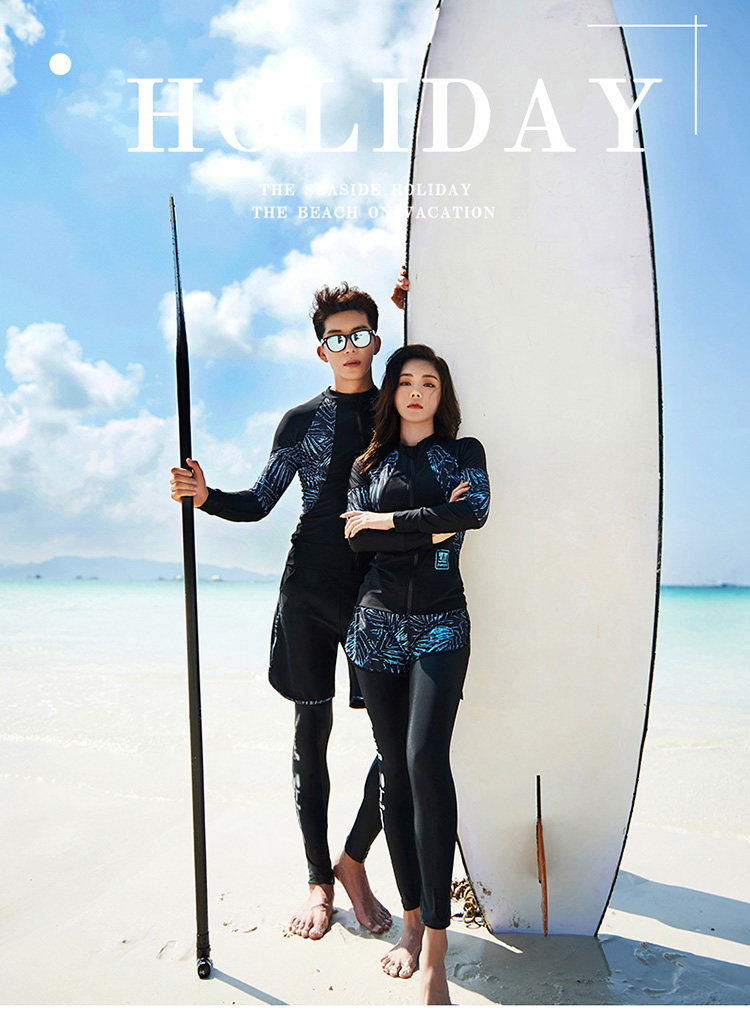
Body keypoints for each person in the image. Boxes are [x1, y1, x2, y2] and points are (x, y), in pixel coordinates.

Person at [169, 281, 413, 941]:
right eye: (336, 337)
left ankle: (353, 860)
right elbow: (259, 502)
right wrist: (205, 495)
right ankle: (317, 880)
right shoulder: (301, 421)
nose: (350, 346)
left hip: (377, 595)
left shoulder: (399, 410)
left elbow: (436, 364)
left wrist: (418, 295)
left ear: (376, 340)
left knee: (398, 743)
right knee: (311, 736)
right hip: (306, 590)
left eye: (360, 334)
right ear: (320, 349)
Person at [341, 344, 490, 1005]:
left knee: (426, 757)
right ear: (392, 392)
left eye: (430, 382)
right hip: (374, 628)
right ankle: (408, 923)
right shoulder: (366, 464)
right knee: (395, 775)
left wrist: (386, 520)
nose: (417, 391)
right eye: (406, 380)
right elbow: (357, 538)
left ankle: (436, 947)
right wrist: (426, 530)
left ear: (441, 394)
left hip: (441, 623)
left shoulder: (464, 455)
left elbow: (472, 512)